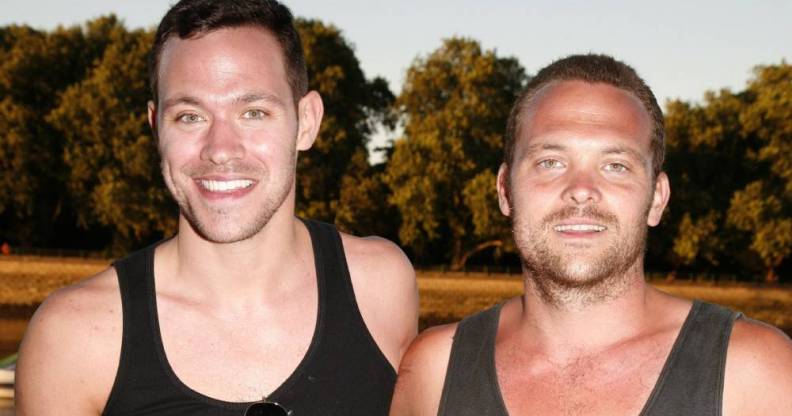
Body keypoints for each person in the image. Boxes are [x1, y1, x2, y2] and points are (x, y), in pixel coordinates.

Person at [15, 1, 418, 414]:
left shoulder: (381, 285)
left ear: (307, 121)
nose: (221, 150)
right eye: (190, 117)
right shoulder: (74, 337)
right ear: (156, 128)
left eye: (253, 112)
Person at [390, 54, 792, 416]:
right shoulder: (435, 371)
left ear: (657, 198)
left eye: (615, 165)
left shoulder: (757, 373)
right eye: (551, 161)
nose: (581, 189)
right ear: (505, 190)